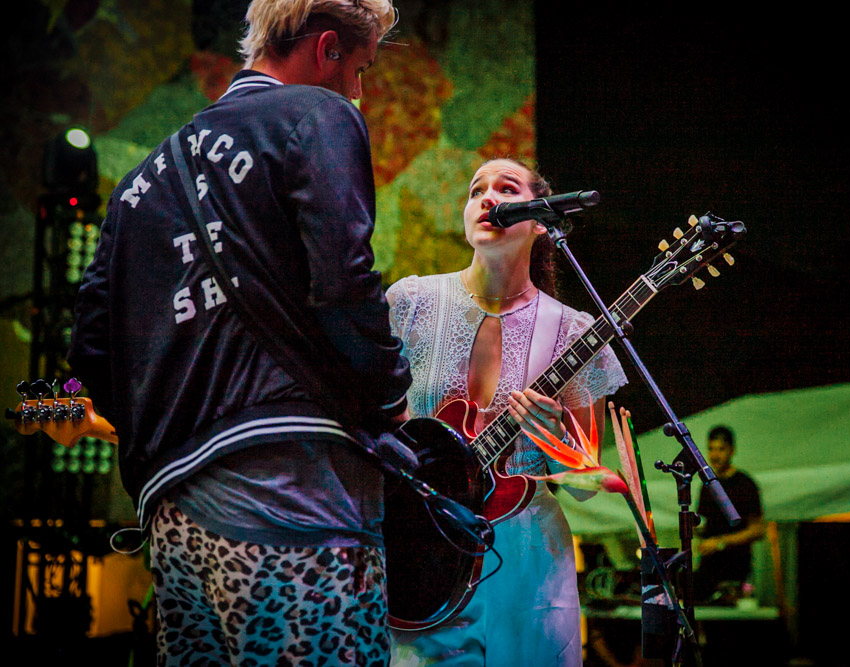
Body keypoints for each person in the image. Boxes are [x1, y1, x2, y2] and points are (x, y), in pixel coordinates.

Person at [68, 1, 410, 664]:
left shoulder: (138, 182)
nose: (360, 92)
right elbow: (343, 279)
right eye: (361, 69)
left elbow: (88, 356)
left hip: (172, 514)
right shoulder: (318, 113)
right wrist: (389, 392)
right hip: (292, 490)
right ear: (328, 49)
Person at [386, 158, 628, 666]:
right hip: (425, 546)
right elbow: (373, 426)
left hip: (528, 556)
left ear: (540, 221)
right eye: (477, 190)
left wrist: (556, 443)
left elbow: (584, 484)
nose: (488, 198)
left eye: (507, 188)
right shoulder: (410, 302)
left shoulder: (574, 330)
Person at [695, 425, 765, 603]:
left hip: (736, 571)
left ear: (732, 450)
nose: (715, 455)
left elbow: (757, 530)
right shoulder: (707, 485)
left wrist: (720, 543)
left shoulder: (745, 484)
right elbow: (703, 523)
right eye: (711, 449)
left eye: (720, 449)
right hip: (708, 571)